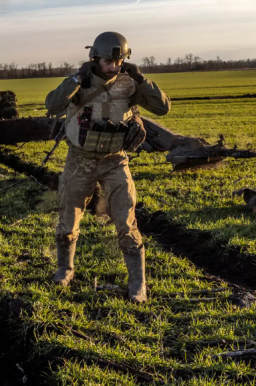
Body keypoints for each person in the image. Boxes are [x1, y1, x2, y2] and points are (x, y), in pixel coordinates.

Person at [44, 32, 170, 303]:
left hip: (115, 160)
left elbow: (163, 109)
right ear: (94, 59)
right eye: (107, 61)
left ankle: (138, 284)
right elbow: (52, 105)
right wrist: (77, 79)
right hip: (80, 160)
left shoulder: (129, 85)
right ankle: (65, 269)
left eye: (119, 61)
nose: (113, 66)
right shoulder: (79, 82)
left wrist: (142, 80)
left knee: (126, 221)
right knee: (69, 220)